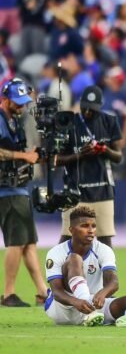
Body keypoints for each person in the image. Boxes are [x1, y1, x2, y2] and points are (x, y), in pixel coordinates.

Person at [44, 206, 126, 327]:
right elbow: (57, 292)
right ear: (71, 230)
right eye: (84, 226)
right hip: (65, 308)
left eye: (93, 226)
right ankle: (89, 311)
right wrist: (77, 301)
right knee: (75, 259)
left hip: (94, 308)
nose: (91, 230)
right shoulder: (56, 252)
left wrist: (103, 293)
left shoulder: (103, 250)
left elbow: (113, 282)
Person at [0, 78, 47, 307]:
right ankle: (8, 293)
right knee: (16, 242)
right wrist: (24, 156)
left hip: (17, 186)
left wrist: (34, 153)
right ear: (4, 99)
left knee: (28, 241)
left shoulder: (15, 120)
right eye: (17, 102)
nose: (21, 107)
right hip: (5, 190)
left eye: (23, 103)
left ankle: (42, 291)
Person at [56, 86, 123, 248]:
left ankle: (108, 272)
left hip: (103, 189)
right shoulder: (69, 124)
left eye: (92, 109)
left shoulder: (109, 121)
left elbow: (118, 157)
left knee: (105, 240)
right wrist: (80, 155)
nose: (87, 112)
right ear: (80, 103)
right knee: (67, 239)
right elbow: (56, 160)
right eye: (84, 107)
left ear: (100, 106)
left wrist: (104, 150)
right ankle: (57, 272)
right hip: (74, 190)